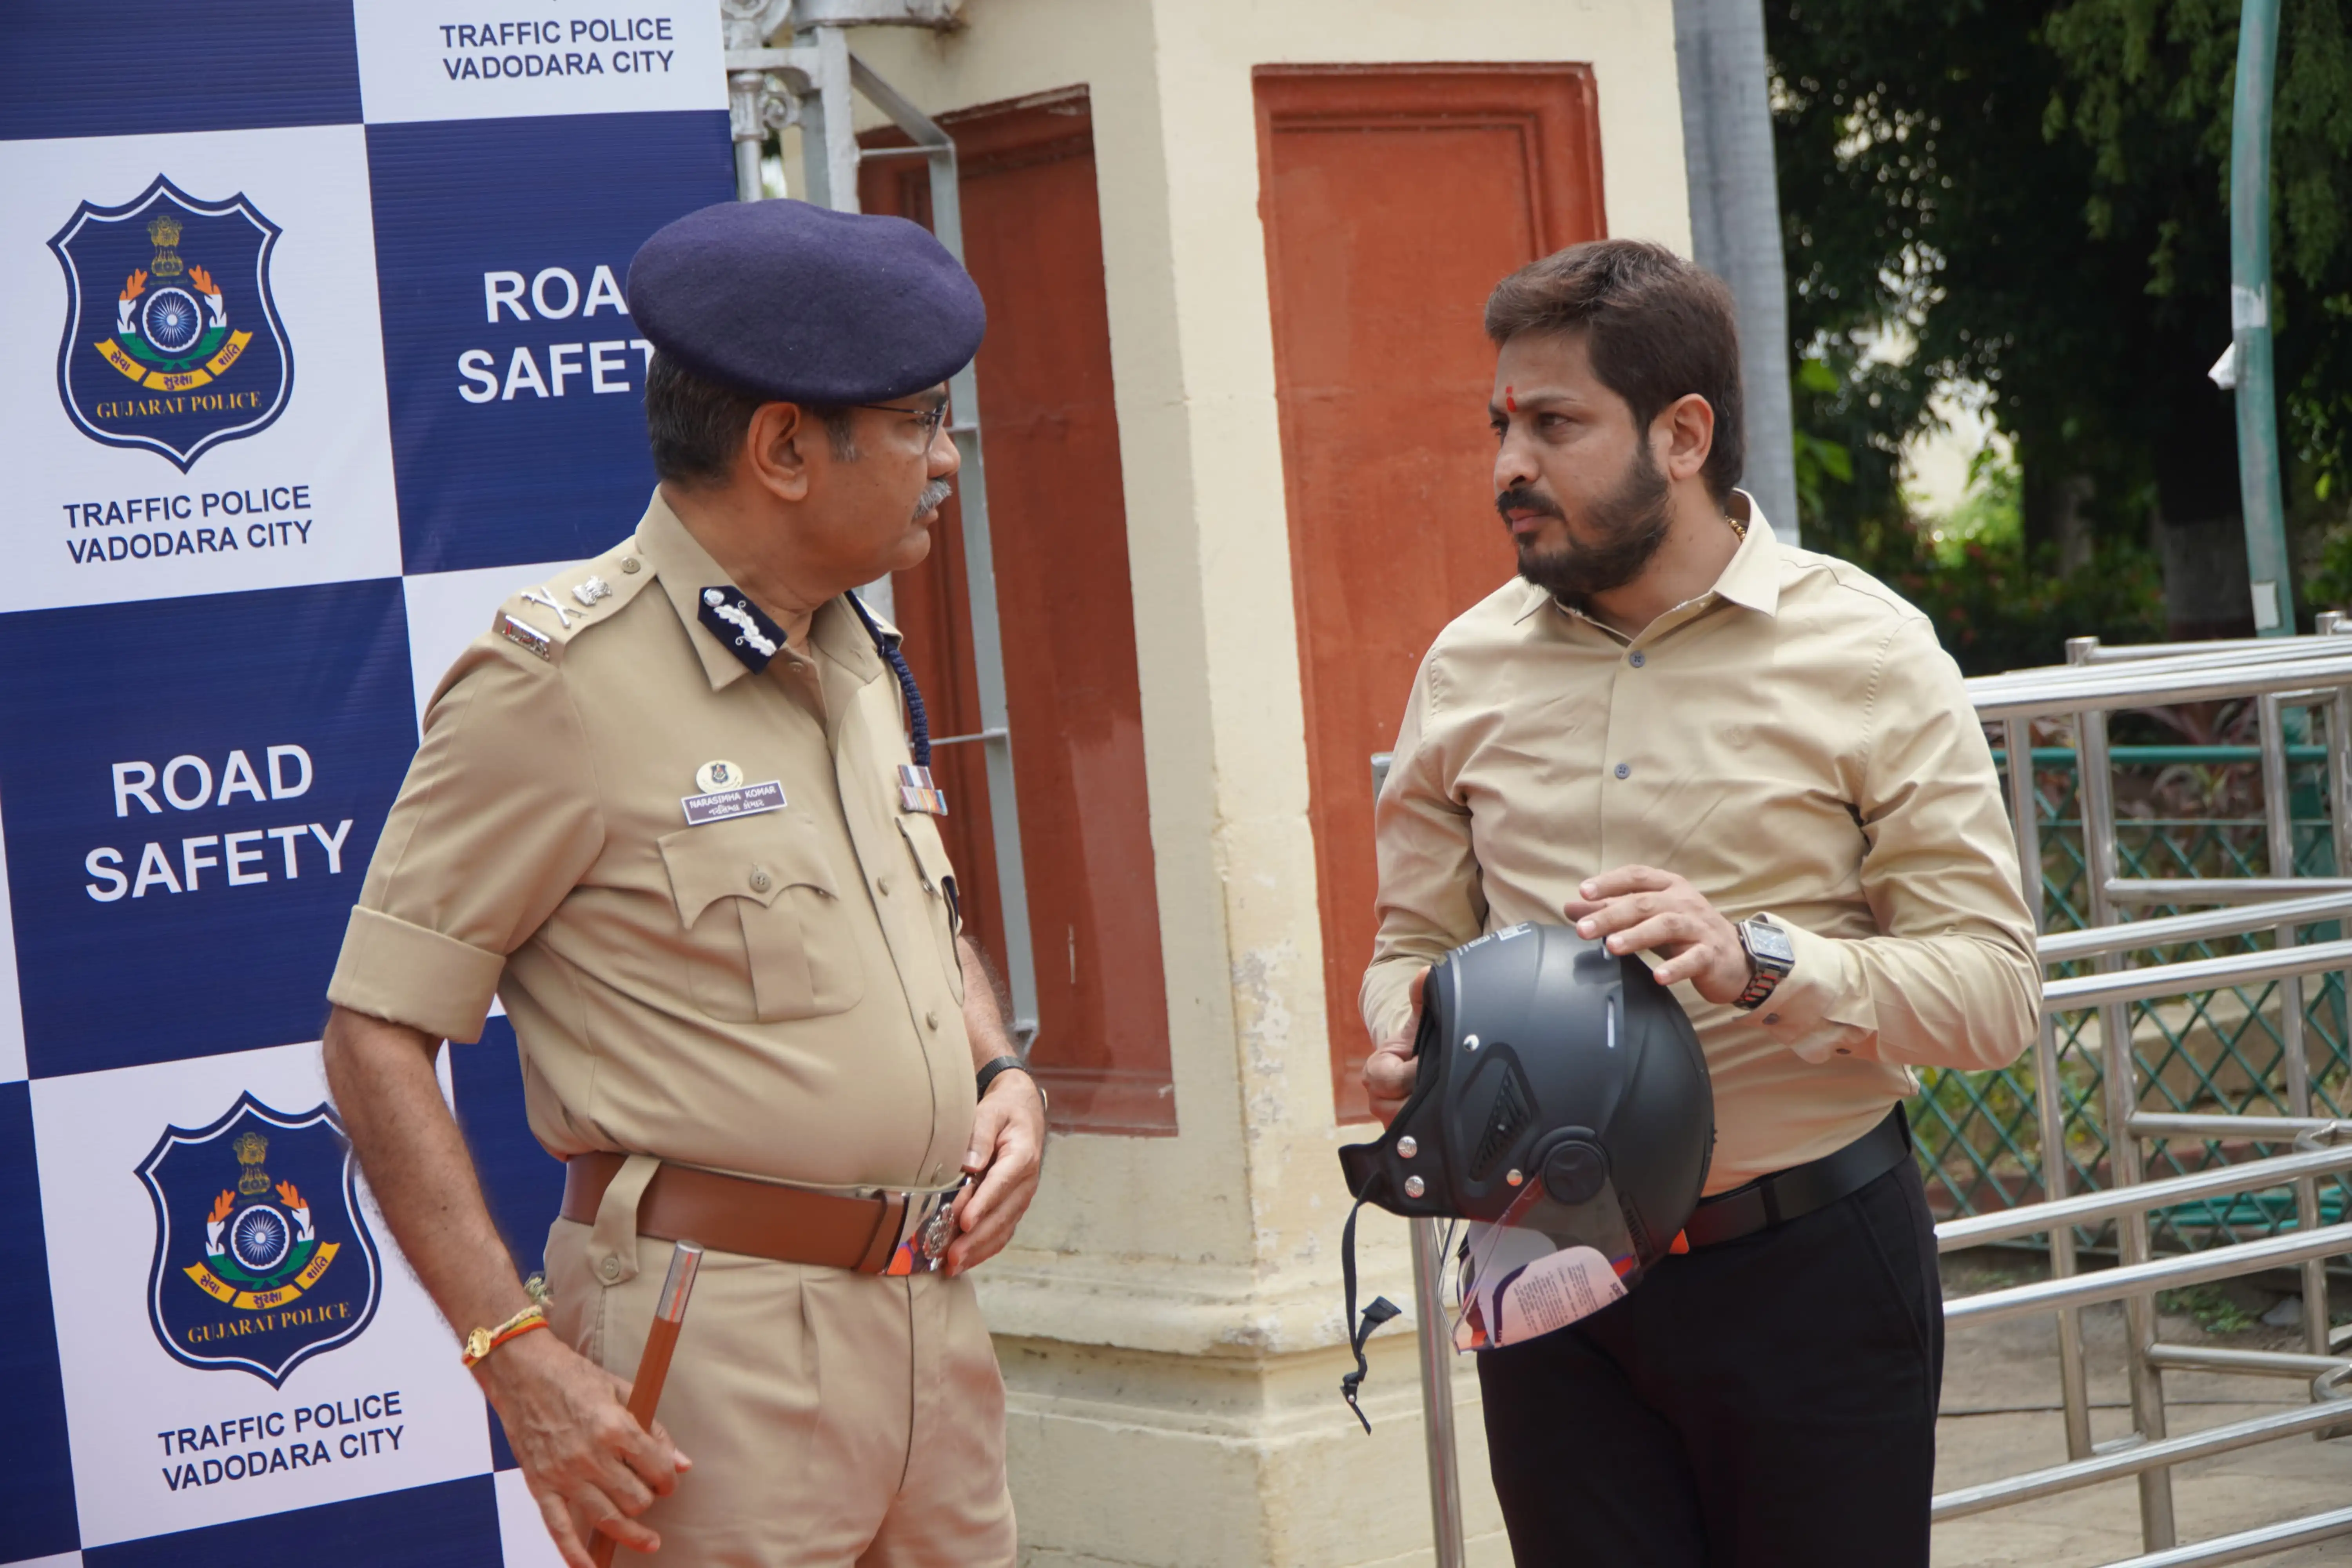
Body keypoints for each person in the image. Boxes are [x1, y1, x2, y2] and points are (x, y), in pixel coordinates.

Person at [320, 198, 1043, 1568]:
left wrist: (1000, 1074)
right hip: (712, 1344)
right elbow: (373, 1038)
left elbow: (920, 923)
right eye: (916, 424)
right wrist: (513, 1356)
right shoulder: (557, 685)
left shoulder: (853, 655)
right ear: (782, 447)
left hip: (928, 1326)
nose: (947, 461)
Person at [1359, 239, 2037, 1565]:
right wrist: (1413, 1041)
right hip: (1542, 1266)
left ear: (1681, 434)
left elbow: (1997, 993)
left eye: (1555, 424)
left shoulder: (1871, 654)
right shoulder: (1465, 665)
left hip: (1811, 1266)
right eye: (1502, 424)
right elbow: (1413, 941)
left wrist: (1761, 960)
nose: (1509, 465)